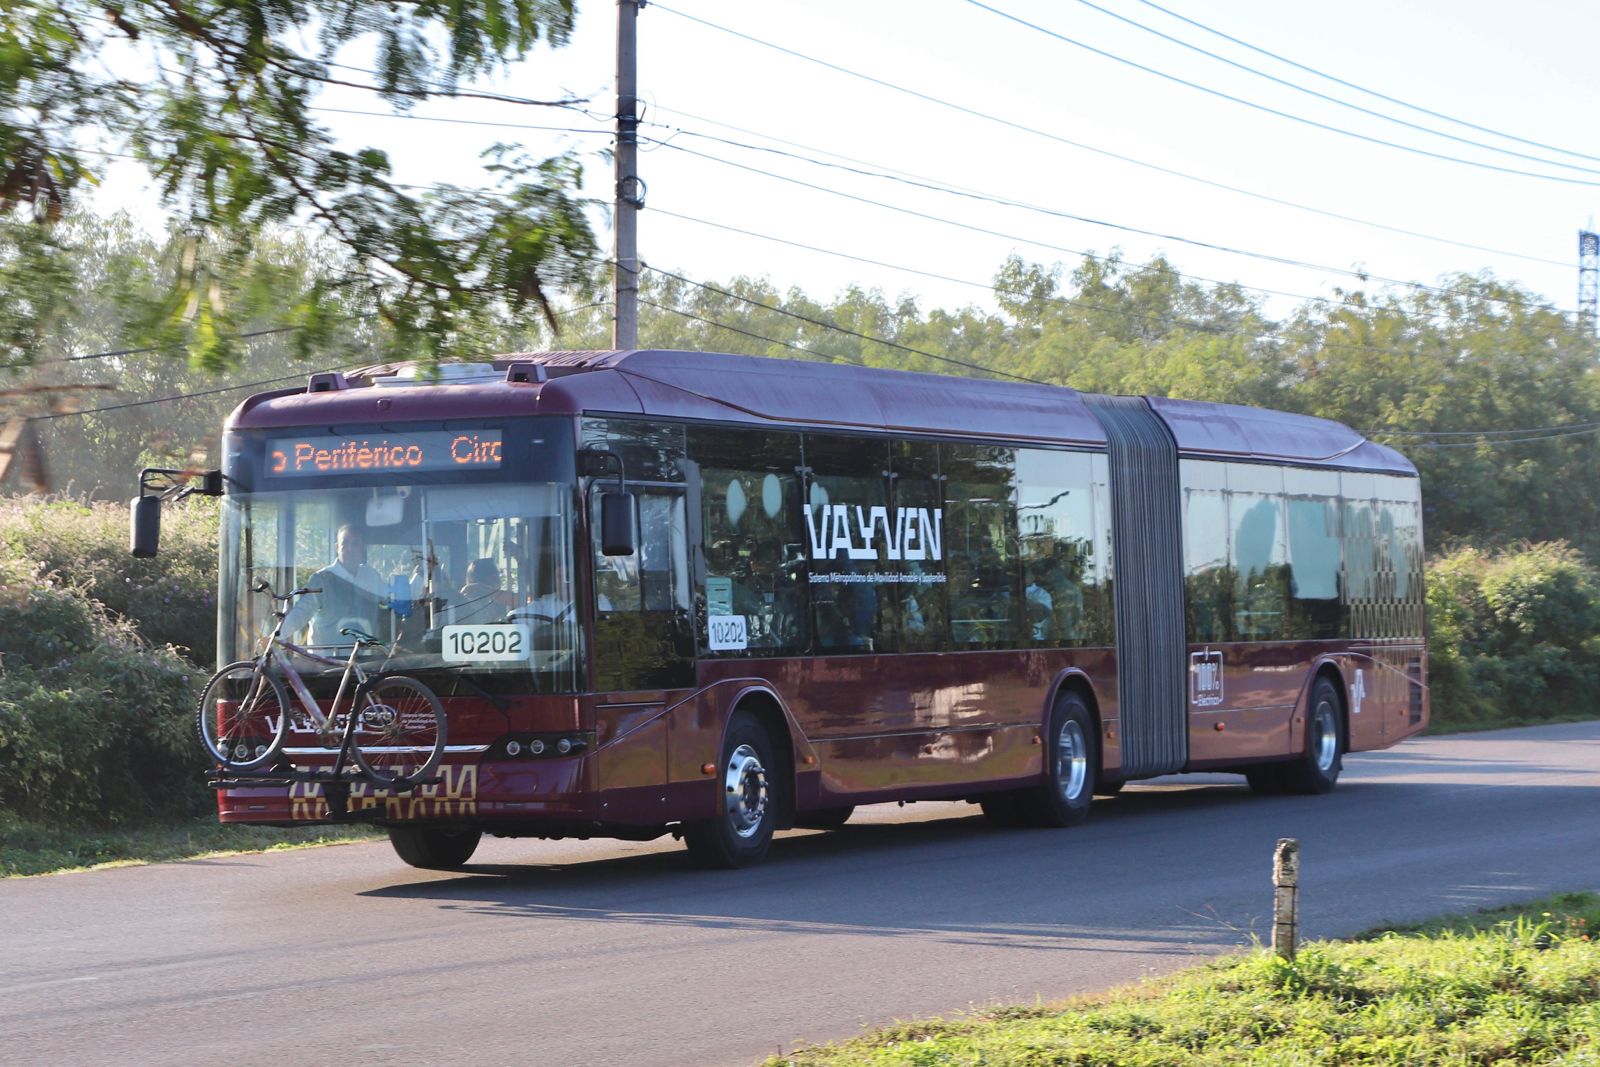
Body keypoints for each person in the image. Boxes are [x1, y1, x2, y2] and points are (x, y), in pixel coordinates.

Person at [281, 525, 388, 647]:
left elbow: (391, 598)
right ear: (337, 547)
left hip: (367, 661)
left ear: (362, 548)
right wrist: (275, 637)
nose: (350, 548)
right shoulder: (321, 579)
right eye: (345, 543)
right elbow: (300, 613)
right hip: (328, 661)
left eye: (355, 543)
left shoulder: (371, 577)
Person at [456, 557, 518, 624]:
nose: (498, 581)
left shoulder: (501, 601)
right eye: (494, 577)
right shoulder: (463, 603)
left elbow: (520, 601)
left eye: (498, 576)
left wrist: (483, 588)